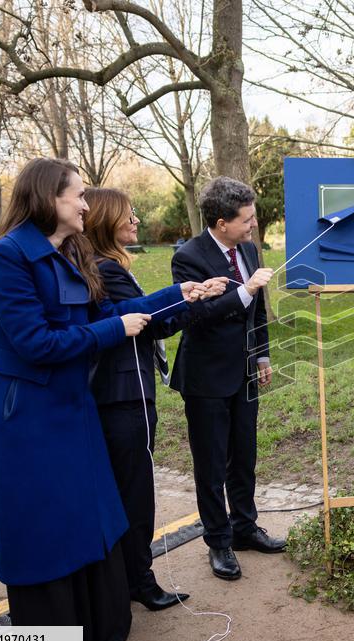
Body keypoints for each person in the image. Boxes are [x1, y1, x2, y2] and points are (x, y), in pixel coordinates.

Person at [0, 158, 209, 641]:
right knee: (45, 530)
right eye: (77, 195)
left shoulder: (68, 251)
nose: (86, 204)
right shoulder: (6, 258)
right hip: (29, 416)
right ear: (46, 199)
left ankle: (97, 636)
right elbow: (35, 342)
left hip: (73, 407)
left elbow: (103, 313)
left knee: (88, 519)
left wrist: (178, 295)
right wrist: (113, 331)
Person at [83, 188, 227, 611]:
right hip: (122, 394)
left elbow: (152, 326)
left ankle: (132, 577)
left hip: (130, 390)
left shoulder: (113, 266)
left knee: (132, 491)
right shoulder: (103, 269)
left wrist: (194, 299)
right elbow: (127, 320)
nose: (136, 221)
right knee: (135, 494)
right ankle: (139, 581)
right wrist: (179, 292)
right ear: (107, 220)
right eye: (129, 214)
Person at [170, 176, 285, 581]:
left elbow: (258, 310)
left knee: (244, 455)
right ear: (221, 223)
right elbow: (196, 316)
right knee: (211, 462)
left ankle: (244, 528)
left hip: (244, 372)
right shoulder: (188, 257)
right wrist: (245, 291)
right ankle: (218, 542)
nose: (253, 225)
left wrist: (262, 354)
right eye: (246, 220)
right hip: (205, 377)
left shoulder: (249, 250)